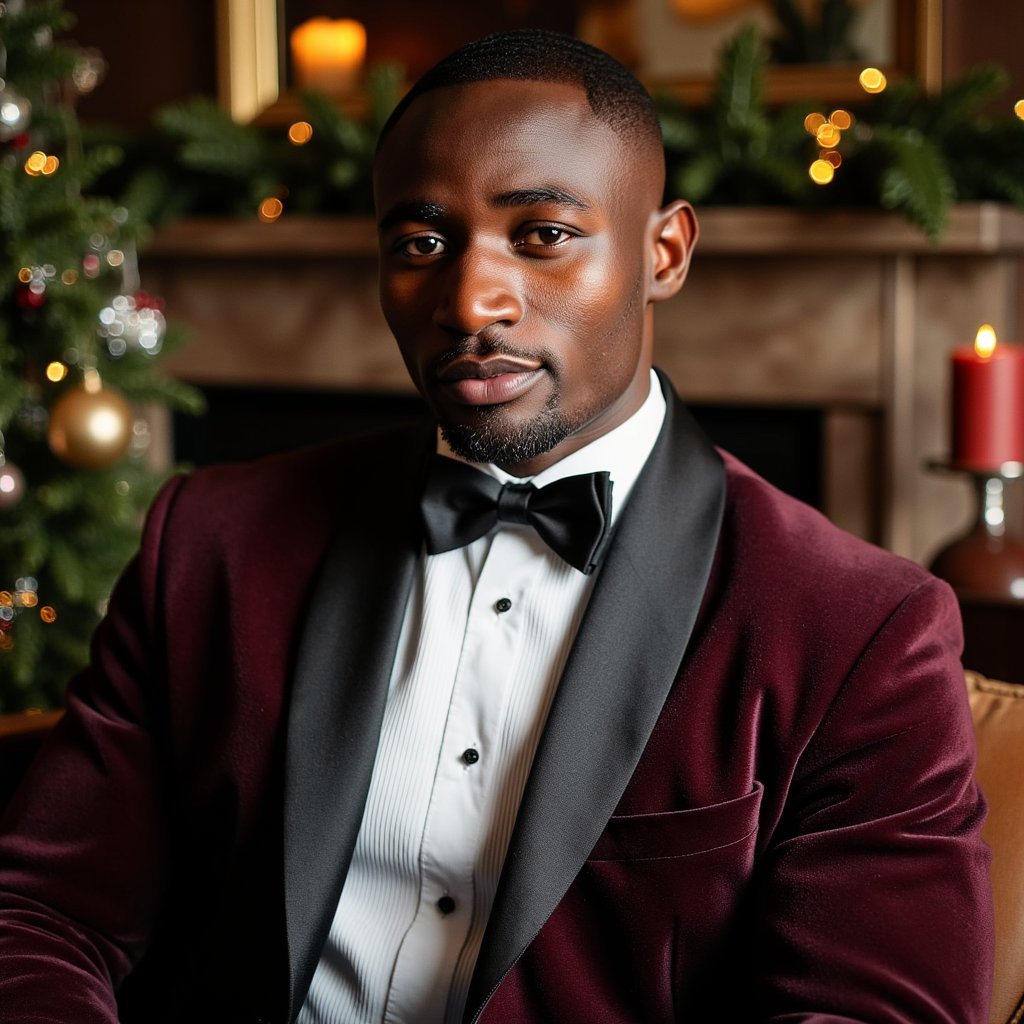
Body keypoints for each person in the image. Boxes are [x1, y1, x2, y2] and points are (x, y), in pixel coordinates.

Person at [0, 28, 992, 1024]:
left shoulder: (859, 630)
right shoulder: (211, 542)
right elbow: (40, 912)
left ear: (664, 253)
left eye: (543, 234)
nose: (470, 301)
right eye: (421, 244)